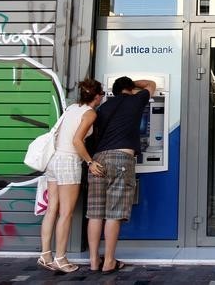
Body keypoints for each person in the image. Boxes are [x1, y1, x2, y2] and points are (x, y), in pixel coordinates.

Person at [81, 76, 156, 275]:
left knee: (95, 213)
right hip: (121, 159)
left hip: (98, 160)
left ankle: (94, 262)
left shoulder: (103, 108)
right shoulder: (136, 99)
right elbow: (151, 85)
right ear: (130, 89)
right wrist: (133, 83)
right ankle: (109, 262)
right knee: (114, 214)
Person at [37, 78, 104, 274]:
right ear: (97, 96)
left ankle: (45, 255)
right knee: (66, 213)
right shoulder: (90, 113)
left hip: (54, 159)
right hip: (68, 161)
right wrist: (90, 162)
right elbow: (77, 141)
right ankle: (61, 258)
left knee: (52, 210)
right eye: (102, 94)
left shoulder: (72, 108)